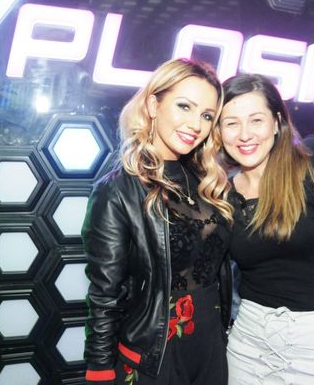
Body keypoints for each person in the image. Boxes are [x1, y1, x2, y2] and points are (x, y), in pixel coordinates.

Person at [82, 58, 234, 385]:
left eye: (207, 115)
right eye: (184, 106)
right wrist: (99, 370)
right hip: (155, 354)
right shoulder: (119, 189)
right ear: (153, 105)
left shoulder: (208, 183)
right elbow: (105, 295)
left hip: (211, 345)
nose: (196, 124)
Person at [216, 74, 314, 384]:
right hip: (249, 342)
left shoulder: (312, 173)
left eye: (256, 120)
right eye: (231, 123)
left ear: (277, 123)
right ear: (219, 132)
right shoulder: (222, 193)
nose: (245, 134)